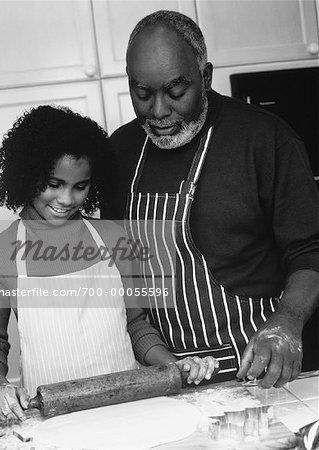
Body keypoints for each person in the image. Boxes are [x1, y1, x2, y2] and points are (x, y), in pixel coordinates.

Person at [110, 10, 319, 389]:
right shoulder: (120, 152)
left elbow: (311, 249)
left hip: (263, 371)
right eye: (142, 93)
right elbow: (123, 271)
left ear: (205, 77)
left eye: (176, 92)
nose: (157, 111)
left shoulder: (264, 139)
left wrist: (288, 320)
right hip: (170, 373)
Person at [0, 105, 219, 423]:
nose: (66, 200)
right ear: (26, 177)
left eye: (79, 187)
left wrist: (172, 365)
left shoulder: (112, 238)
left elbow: (135, 325)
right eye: (53, 184)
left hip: (129, 407)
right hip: (50, 416)